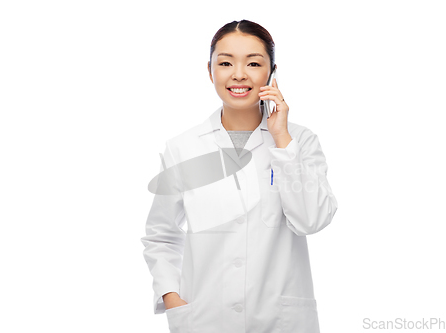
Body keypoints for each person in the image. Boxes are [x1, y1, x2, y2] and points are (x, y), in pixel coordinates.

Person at [141, 19, 338, 333]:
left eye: (254, 63)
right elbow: (162, 236)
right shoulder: (183, 148)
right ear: (210, 71)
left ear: (272, 72)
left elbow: (311, 220)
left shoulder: (300, 141)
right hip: (205, 318)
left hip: (280, 320)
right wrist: (173, 299)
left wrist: (282, 142)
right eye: (226, 62)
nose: (239, 74)